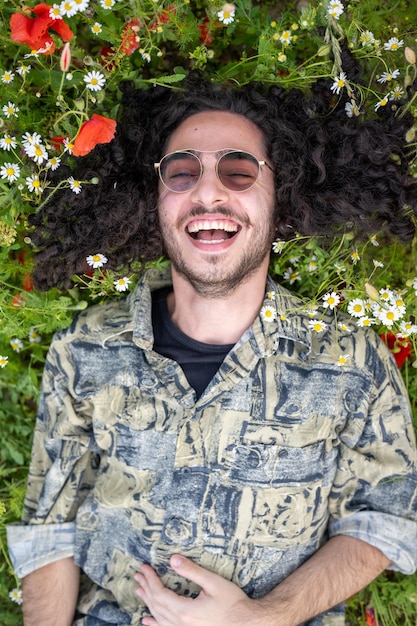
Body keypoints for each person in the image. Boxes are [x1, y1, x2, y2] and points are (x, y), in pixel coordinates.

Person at [7, 72, 417, 626]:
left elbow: (384, 518)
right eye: (181, 172)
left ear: (282, 194)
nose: (208, 191)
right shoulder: (83, 347)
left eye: (239, 170)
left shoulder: (353, 361)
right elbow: (50, 531)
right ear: (154, 200)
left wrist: (265, 616)